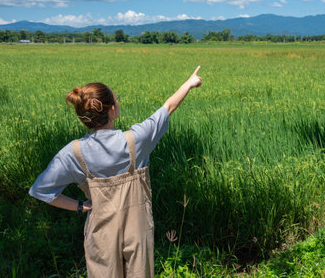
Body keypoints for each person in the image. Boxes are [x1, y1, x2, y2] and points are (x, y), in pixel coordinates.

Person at [29, 66, 202, 277]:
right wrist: (189, 83)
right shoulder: (136, 140)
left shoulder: (73, 153)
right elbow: (168, 107)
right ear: (111, 109)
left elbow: (41, 190)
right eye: (116, 98)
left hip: (100, 234)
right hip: (137, 232)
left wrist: (80, 206)